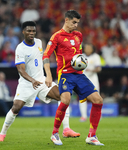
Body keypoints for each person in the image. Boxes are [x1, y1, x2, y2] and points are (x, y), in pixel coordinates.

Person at [0, 21, 79, 142]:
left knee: (64, 96)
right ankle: (2, 134)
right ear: (23, 32)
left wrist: (48, 75)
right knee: (16, 108)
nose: (31, 33)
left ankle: (66, 129)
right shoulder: (20, 48)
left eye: (33, 31)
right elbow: (21, 70)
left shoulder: (39, 42)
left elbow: (44, 59)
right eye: (29, 31)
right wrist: (32, 80)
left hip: (42, 81)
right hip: (27, 83)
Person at [43, 10, 104, 146]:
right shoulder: (56, 37)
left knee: (98, 100)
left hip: (79, 75)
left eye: (77, 23)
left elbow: (78, 55)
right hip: (65, 74)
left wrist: (81, 62)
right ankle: (55, 133)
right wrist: (48, 75)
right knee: (65, 100)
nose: (76, 25)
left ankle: (91, 136)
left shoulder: (78, 36)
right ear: (66, 20)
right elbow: (46, 55)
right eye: (74, 22)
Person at [79, 44, 102, 122]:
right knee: (82, 97)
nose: (88, 49)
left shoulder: (96, 56)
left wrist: (91, 70)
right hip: (83, 78)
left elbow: (99, 68)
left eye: (89, 48)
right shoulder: (81, 56)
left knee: (96, 97)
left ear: (92, 49)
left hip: (93, 78)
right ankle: (83, 116)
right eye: (86, 48)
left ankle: (97, 114)